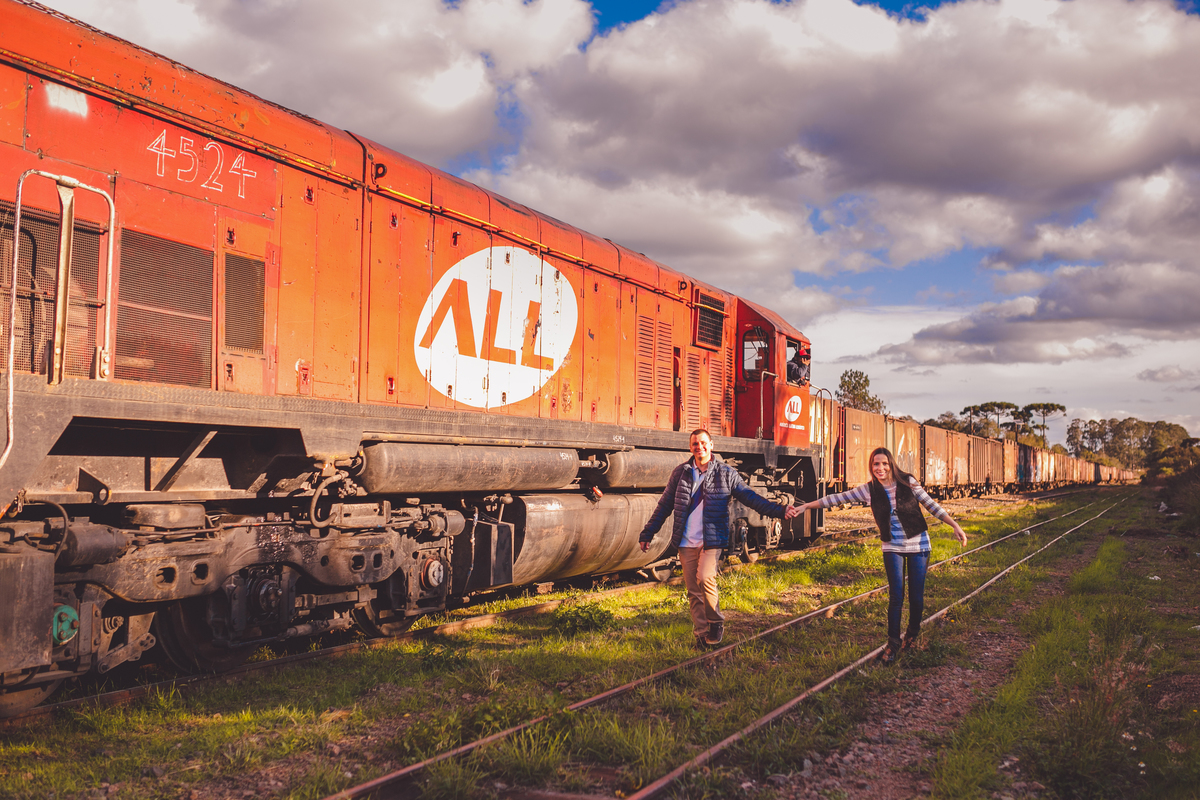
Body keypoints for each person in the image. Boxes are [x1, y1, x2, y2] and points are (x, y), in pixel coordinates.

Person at [794, 447, 968, 664]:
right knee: (896, 597)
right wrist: (806, 507)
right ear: (871, 466)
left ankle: (912, 635)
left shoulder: (908, 481)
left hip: (919, 545)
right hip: (892, 546)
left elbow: (930, 505)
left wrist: (954, 525)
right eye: (876, 464)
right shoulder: (869, 490)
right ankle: (893, 644)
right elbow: (836, 498)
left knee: (916, 598)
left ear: (891, 464)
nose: (880, 468)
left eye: (884, 464)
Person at [639, 428, 802, 649]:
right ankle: (700, 635)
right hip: (686, 541)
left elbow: (750, 497)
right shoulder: (681, 473)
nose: (700, 447)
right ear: (691, 448)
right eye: (695, 444)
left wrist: (780, 510)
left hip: (711, 539)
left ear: (712, 445)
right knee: (693, 591)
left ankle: (716, 622)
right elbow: (665, 505)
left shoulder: (725, 473)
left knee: (705, 578)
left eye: (704, 443)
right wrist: (648, 532)